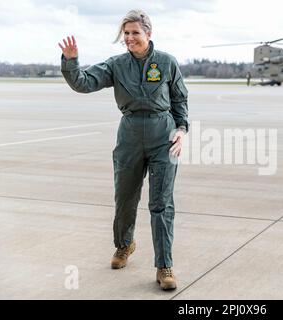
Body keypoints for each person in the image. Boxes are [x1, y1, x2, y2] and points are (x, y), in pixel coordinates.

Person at [58, 9, 188, 291]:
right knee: (125, 197)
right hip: (129, 135)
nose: (129, 39)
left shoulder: (166, 63)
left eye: (135, 33)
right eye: (126, 34)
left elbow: (180, 99)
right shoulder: (116, 64)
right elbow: (83, 83)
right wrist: (71, 62)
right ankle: (124, 245)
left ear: (148, 34)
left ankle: (164, 265)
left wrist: (182, 130)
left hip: (162, 136)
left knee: (161, 203)